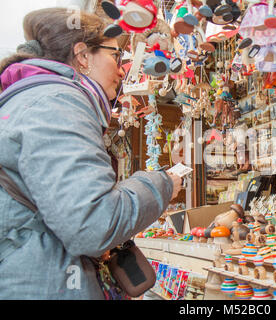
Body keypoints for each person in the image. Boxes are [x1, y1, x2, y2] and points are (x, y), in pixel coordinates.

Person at [0, 8, 182, 299]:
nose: (122, 69)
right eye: (114, 55)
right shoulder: (57, 102)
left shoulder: (35, 101)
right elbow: (93, 224)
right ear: (83, 56)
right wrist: (161, 184)